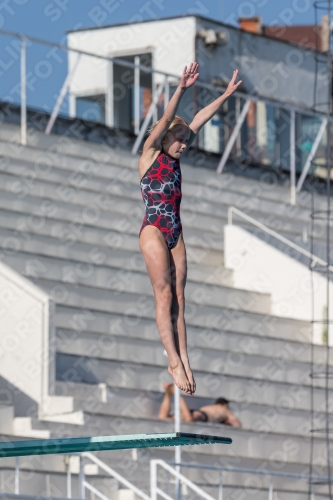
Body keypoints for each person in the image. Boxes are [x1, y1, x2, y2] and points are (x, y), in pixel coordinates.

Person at [138, 62, 242, 395]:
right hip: (153, 228)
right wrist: (180, 89)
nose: (184, 144)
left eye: (186, 141)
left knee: (180, 300)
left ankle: (184, 357)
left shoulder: (176, 158)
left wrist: (225, 95)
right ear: (164, 136)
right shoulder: (149, 154)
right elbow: (170, 120)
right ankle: (172, 361)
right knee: (164, 295)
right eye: (178, 139)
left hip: (175, 231)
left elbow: (199, 120)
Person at [158, 384, 242, 427]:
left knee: (163, 418)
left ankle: (168, 393)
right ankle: (176, 392)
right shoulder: (223, 409)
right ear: (225, 405)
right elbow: (237, 424)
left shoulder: (211, 407)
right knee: (189, 419)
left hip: (197, 413)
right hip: (202, 415)